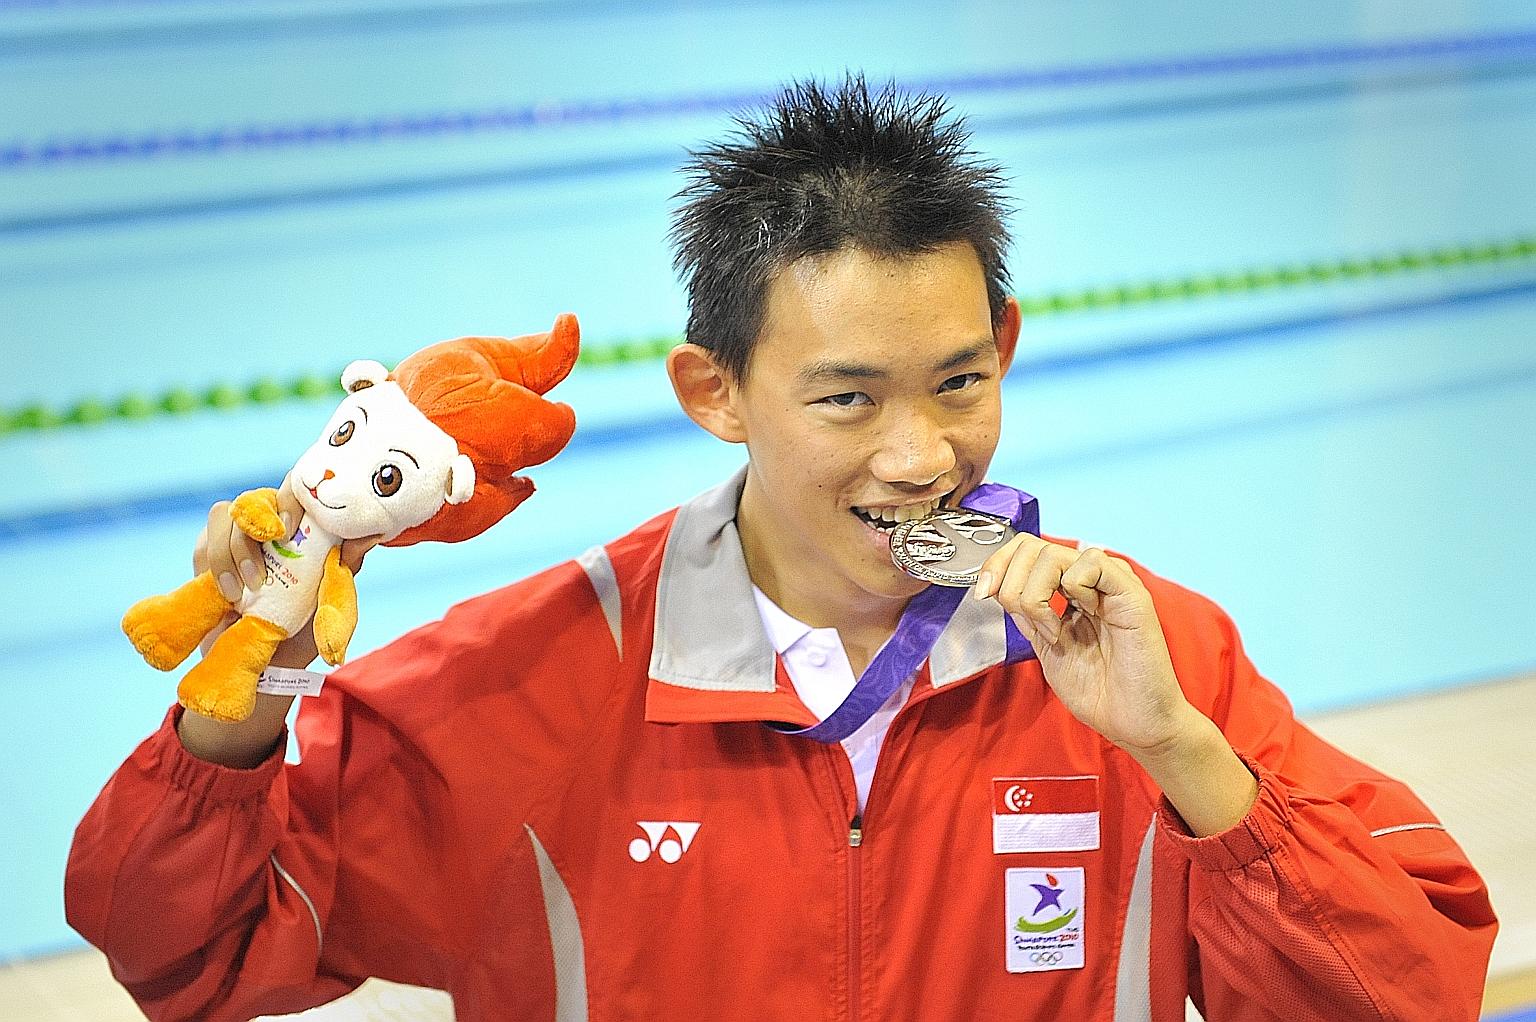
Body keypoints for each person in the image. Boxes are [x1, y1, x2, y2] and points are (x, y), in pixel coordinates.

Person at [67, 77, 1496, 1022]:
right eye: (847, 398)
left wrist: (1188, 760)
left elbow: (1415, 983)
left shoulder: (1143, 659)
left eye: (957, 381)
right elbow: (188, 951)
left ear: (1005, 345)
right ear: (716, 395)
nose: (924, 455)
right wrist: (243, 690)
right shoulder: (531, 683)